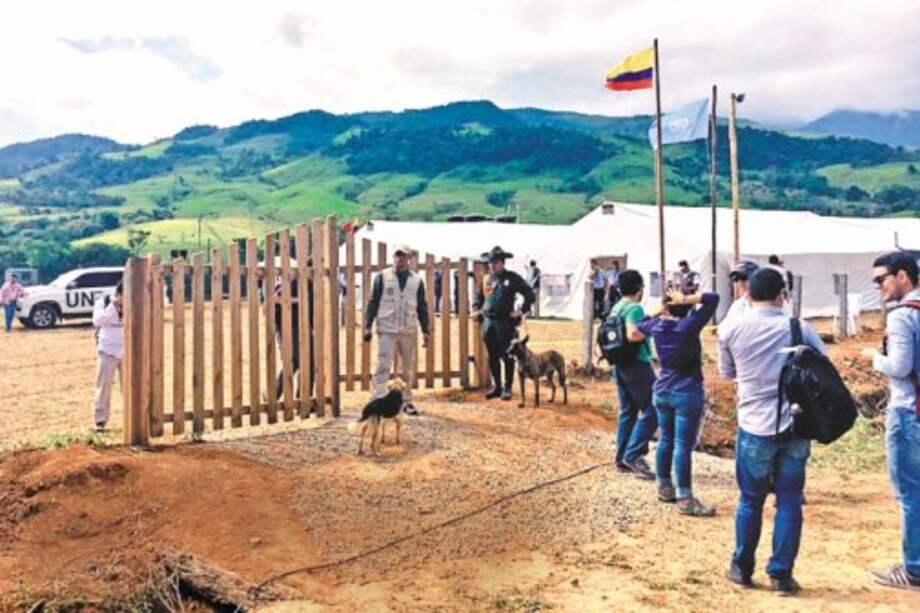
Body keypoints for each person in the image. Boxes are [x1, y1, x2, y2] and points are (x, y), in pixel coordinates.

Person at [718, 267, 827, 594]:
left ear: (747, 294)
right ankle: (781, 574)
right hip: (795, 426)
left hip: (753, 425)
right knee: (790, 501)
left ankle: (742, 567)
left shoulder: (732, 330)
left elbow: (727, 373)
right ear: (783, 294)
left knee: (750, 500)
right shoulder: (798, 327)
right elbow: (823, 362)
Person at [638, 289, 720, 516]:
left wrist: (662, 306)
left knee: (666, 440)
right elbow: (713, 299)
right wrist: (686, 299)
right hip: (686, 392)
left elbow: (640, 323)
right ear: (687, 307)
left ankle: (664, 487)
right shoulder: (688, 326)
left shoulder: (657, 327)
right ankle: (685, 498)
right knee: (683, 445)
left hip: (662, 391)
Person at [867, 252, 920, 591]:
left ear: (902, 276)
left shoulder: (902, 317)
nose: (877, 287)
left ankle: (914, 569)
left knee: (910, 494)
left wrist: (874, 358)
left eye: (881, 279)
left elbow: (899, 366)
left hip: (908, 411)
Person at [364, 244, 431, 416]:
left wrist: (426, 330)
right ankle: (378, 399)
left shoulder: (416, 280)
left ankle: (405, 401)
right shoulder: (382, 276)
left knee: (405, 368)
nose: (399, 259)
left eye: (403, 256)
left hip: (407, 329)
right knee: (383, 365)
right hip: (387, 328)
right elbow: (373, 301)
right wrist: (367, 325)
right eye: (397, 255)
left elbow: (422, 306)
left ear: (409, 258)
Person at [609, 269, 658, 479]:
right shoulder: (635, 307)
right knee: (653, 408)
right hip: (637, 364)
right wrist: (653, 328)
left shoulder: (617, 307)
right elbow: (633, 334)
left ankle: (621, 458)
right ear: (639, 288)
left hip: (619, 364)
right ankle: (634, 453)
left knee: (627, 411)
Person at [473, 246, 534, 400]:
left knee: (507, 355)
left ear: (503, 263)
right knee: (492, 355)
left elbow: (529, 294)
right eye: (491, 262)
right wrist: (476, 309)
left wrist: (521, 310)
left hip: (505, 322)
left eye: (496, 262)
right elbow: (478, 297)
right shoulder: (487, 279)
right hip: (488, 321)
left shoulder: (512, 278)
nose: (492, 265)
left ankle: (507, 387)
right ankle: (497, 386)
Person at [92, 282, 124, 432]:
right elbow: (97, 321)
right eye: (123, 296)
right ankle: (100, 421)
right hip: (107, 350)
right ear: (118, 294)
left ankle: (132, 419)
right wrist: (113, 306)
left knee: (130, 387)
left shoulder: (135, 302)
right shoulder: (104, 302)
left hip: (127, 350)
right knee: (104, 386)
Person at [718, 260, 759, 333]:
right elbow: (723, 329)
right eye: (736, 279)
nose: (739, 283)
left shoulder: (768, 304)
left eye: (744, 278)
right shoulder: (738, 305)